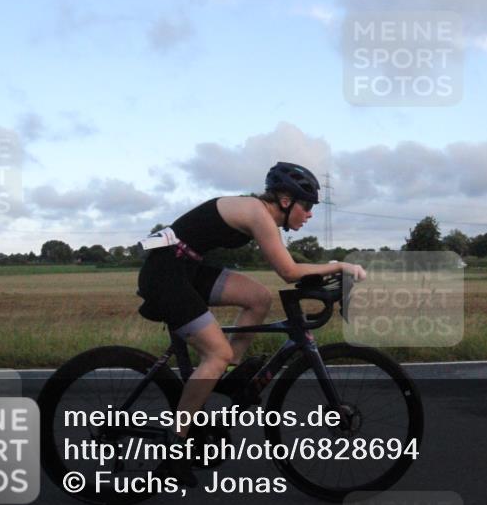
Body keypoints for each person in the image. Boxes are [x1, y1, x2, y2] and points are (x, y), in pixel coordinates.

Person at [135, 162, 366, 486]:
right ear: (285, 200)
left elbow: (286, 274)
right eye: (307, 206)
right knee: (216, 353)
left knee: (258, 298)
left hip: (186, 267)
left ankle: (227, 377)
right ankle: (175, 446)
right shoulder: (258, 213)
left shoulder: (258, 212)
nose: (310, 214)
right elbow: (288, 271)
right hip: (166, 273)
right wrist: (338, 265)